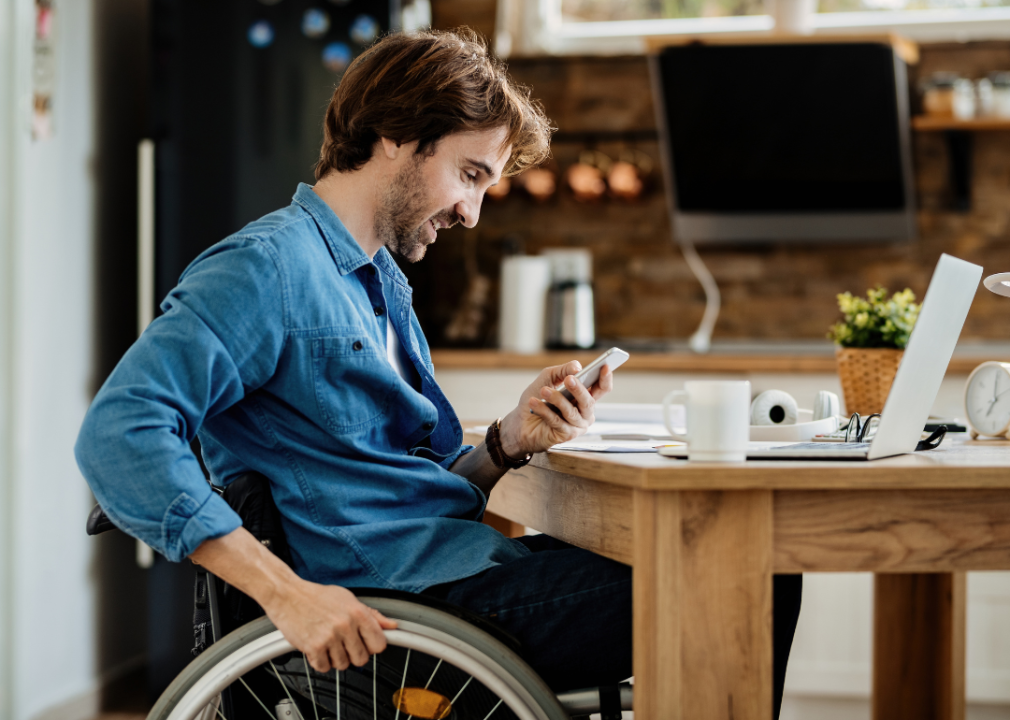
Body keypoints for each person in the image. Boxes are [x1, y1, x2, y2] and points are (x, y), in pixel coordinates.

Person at [76, 27, 801, 708]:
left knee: (750, 559)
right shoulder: (268, 270)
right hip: (414, 610)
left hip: (451, 574)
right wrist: (287, 594)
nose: (473, 213)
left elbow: (390, 489)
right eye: (470, 174)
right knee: (749, 576)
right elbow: (120, 434)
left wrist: (507, 441)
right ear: (396, 135)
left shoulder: (379, 283)